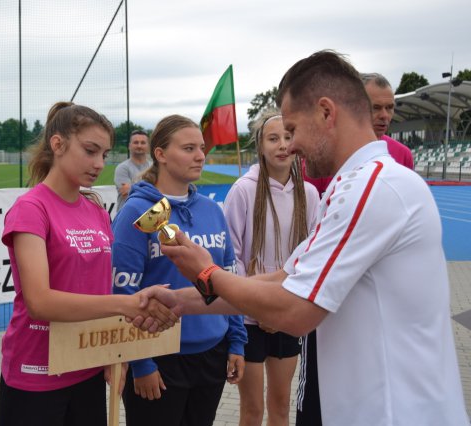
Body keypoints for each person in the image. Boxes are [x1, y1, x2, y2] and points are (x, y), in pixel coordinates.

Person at [139, 50, 469, 426]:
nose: (290, 146)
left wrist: (207, 273)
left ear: (327, 113)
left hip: (392, 413)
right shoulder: (358, 185)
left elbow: (294, 311)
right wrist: (178, 301)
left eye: (293, 130)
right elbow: (283, 278)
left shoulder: (372, 187)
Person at [0, 102, 177, 426]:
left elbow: (98, 287)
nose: (98, 164)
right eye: (90, 151)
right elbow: (40, 301)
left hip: (86, 365)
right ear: (58, 144)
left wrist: (111, 354)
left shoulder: (94, 210)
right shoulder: (31, 209)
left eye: (105, 155)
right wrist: (129, 303)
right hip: (37, 372)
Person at [295, 71, 416, 426]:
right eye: (375, 107)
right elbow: (313, 222)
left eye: (389, 108)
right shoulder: (320, 158)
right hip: (325, 281)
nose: (383, 115)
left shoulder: (401, 157)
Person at [111, 114, 247, 426]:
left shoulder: (212, 210)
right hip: (159, 360)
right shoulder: (139, 210)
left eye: (201, 148)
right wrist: (141, 363)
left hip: (213, 353)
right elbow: (124, 292)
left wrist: (236, 341)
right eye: (188, 148)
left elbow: (229, 279)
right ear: (160, 154)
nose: (200, 155)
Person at [223, 110, 319, 426]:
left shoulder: (309, 193)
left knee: (280, 406)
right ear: (260, 146)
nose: (281, 145)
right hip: (249, 319)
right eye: (273, 138)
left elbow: (312, 253)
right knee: (251, 410)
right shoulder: (243, 190)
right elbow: (232, 256)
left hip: (288, 313)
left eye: (288, 137)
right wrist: (257, 304)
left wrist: (282, 304)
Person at [114, 129, 152, 211]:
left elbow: (162, 193)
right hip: (126, 216)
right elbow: (128, 195)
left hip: (149, 217)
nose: (139, 145)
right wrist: (151, 189)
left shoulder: (153, 167)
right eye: (136, 142)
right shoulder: (122, 168)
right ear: (129, 146)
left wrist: (133, 188)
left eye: (143, 143)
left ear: (148, 146)